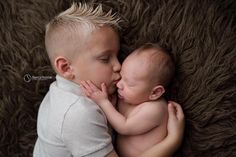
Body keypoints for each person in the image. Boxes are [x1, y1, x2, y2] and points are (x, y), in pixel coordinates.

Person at [33, 2, 184, 157]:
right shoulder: (78, 114)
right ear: (66, 68)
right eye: (105, 59)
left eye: (117, 56)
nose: (119, 66)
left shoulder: (59, 92)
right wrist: (173, 140)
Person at [81, 43, 176, 157]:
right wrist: (113, 104)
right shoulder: (130, 98)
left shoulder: (155, 109)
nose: (119, 84)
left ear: (155, 93)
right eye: (121, 76)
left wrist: (104, 102)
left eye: (129, 83)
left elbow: (123, 127)